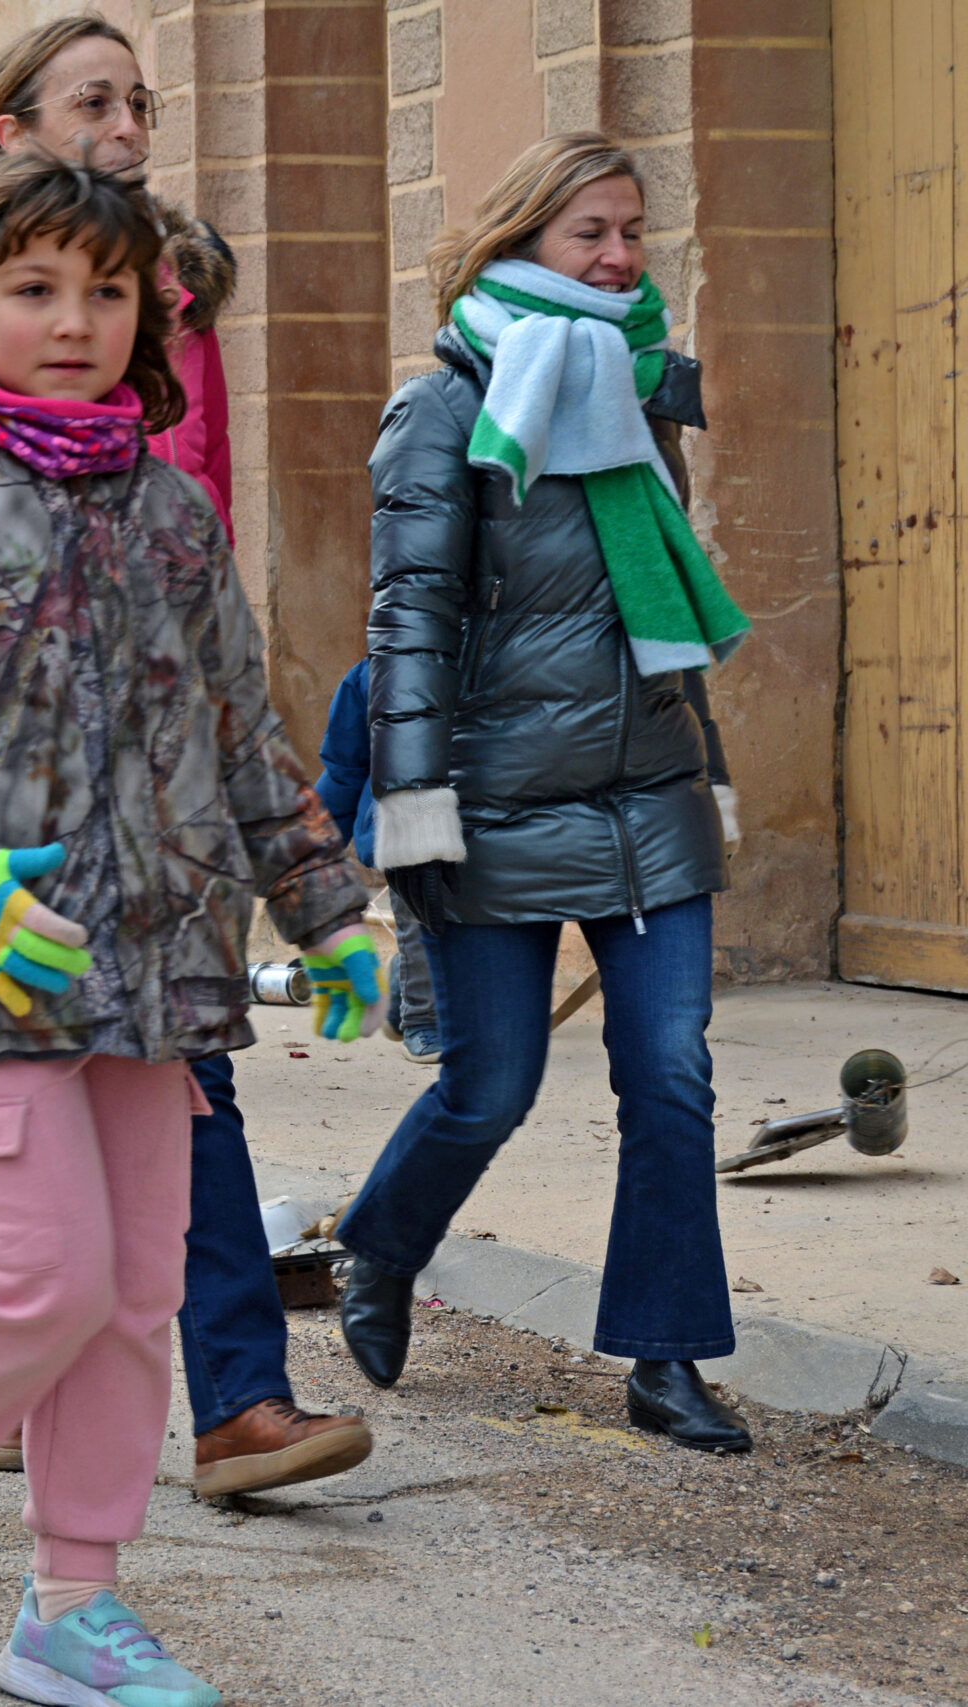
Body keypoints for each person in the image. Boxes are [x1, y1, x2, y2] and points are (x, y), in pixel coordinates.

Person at [0, 153, 379, 1699]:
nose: (73, 319)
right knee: (41, 1273)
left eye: (106, 292)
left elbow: (244, 733)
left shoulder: (171, 511)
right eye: (35, 288)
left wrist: (325, 903)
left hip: (158, 958)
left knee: (135, 1294)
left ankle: (71, 1607)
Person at [339, 131, 752, 1454]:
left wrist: (712, 765)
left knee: (670, 1075)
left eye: (633, 230)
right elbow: (408, 623)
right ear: (519, 241)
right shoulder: (445, 407)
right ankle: (382, 1250)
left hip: (647, 794)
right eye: (591, 232)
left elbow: (667, 598)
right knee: (489, 1086)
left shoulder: (639, 390)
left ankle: (665, 1353)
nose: (622, 256)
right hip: (493, 802)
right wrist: (411, 810)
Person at [315, 658, 443, 1062]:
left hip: (485, 817)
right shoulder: (372, 673)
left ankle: (405, 987)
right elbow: (343, 768)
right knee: (421, 919)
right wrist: (318, 847)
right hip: (403, 821)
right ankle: (422, 1019)